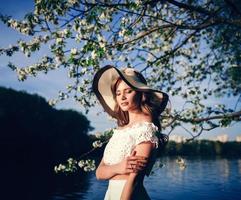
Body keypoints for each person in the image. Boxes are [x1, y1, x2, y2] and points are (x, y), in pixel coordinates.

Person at [92, 65, 169, 200]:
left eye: (128, 91)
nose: (122, 97)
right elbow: (99, 173)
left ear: (141, 93)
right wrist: (119, 167)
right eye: (118, 93)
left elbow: (134, 182)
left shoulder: (146, 130)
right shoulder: (120, 131)